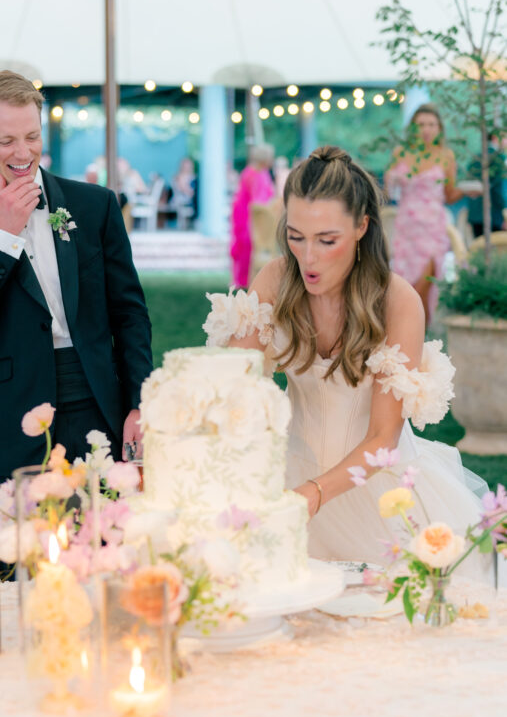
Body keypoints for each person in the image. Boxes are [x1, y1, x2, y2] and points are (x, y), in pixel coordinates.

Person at [204, 145, 489, 576]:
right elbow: (233, 383)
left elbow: (383, 438)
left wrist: (310, 496)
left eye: (326, 240)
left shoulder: (397, 301)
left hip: (379, 487)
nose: (308, 257)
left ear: (361, 226)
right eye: (296, 237)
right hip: (290, 473)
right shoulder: (276, 279)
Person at [0, 71, 153, 489]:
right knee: (17, 545)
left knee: (106, 540)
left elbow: (129, 314)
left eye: (32, 136)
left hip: (97, 399)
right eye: (6, 141)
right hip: (9, 410)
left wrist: (138, 403)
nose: (23, 152)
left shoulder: (95, 205)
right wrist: (1, 237)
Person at [385, 104, 466, 324]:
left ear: (439, 128)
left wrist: (468, 191)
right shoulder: (400, 153)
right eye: (421, 124)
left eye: (431, 124)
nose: (426, 129)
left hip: (432, 228)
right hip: (407, 228)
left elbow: (449, 194)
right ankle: (405, 331)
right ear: (412, 128)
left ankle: (421, 332)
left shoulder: (446, 155)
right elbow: (388, 191)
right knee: (405, 283)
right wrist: (389, 179)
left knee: (426, 283)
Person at [230, 143, 276, 288]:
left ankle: (246, 279)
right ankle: (243, 281)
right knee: (247, 246)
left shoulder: (257, 173)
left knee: (248, 247)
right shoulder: (255, 174)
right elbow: (258, 201)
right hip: (249, 216)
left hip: (250, 214)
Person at [467, 131, 506, 238]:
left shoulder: (475, 157)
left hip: (475, 216)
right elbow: (499, 192)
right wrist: (504, 215)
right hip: (494, 216)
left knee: (479, 249)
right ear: (495, 138)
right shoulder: (499, 158)